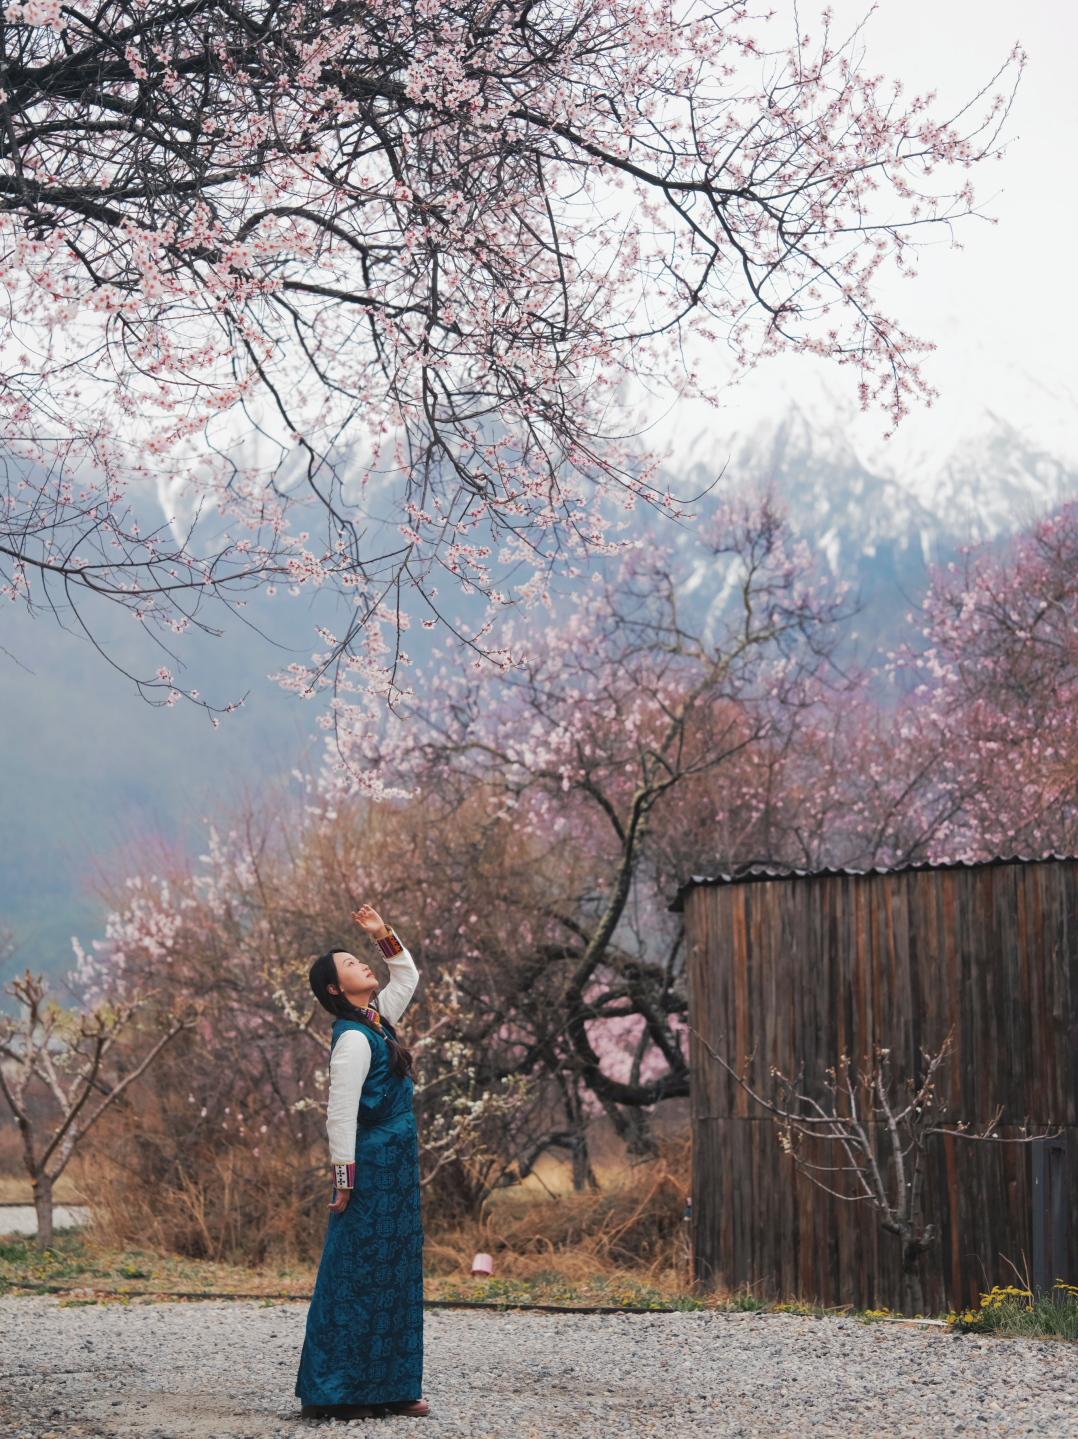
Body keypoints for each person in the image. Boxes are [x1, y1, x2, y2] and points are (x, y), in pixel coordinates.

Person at [295, 904, 428, 1420]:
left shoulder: (379, 1021)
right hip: (370, 1171)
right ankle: (338, 1391)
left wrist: (382, 935)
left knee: (395, 1274)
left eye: (359, 958)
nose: (362, 964)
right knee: (356, 1274)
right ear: (334, 989)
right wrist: (344, 1180)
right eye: (350, 963)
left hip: (397, 1170)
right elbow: (340, 1116)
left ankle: (394, 1387)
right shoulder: (353, 1038)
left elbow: (407, 974)